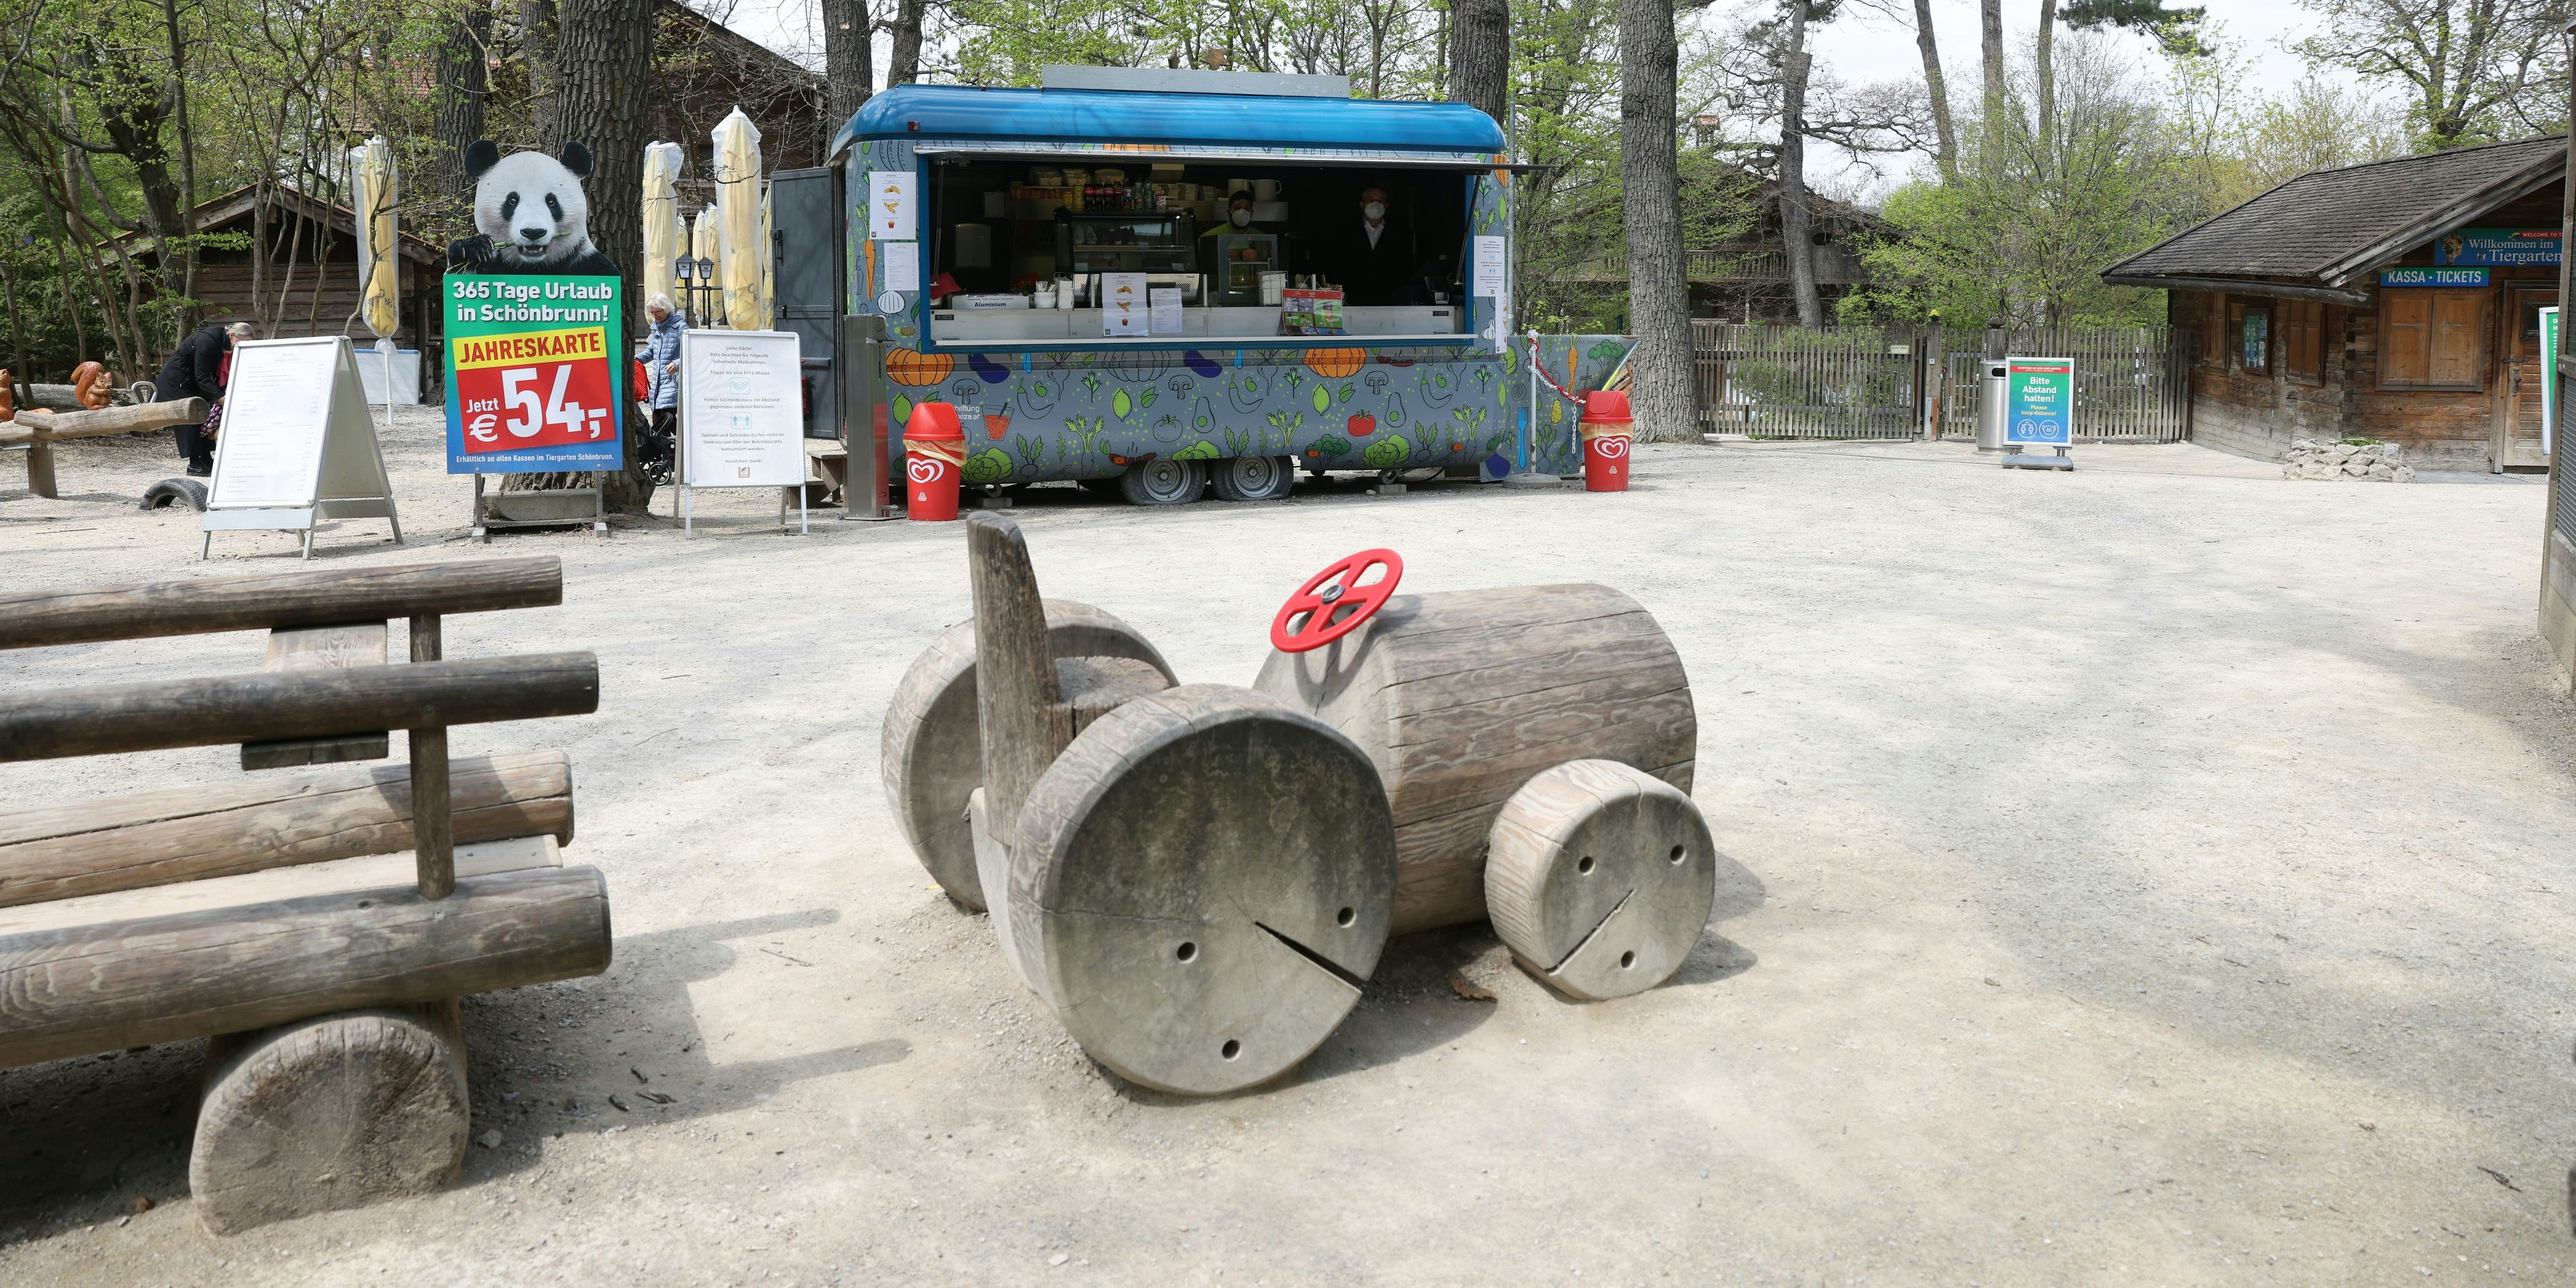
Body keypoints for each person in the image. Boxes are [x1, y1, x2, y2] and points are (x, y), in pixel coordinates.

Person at [156, 320, 252, 476]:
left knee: (204, 417)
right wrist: (221, 398)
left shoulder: (223, 342)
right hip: (177, 380)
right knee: (190, 419)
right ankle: (194, 464)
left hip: (193, 381)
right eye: (245, 341)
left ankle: (207, 460)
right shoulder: (208, 341)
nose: (245, 346)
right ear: (233, 335)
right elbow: (202, 375)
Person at [1324, 184, 1415, 307]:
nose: (1375, 204)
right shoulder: (1346, 233)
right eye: (1371, 200)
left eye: (1380, 200)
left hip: (1390, 303)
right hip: (1354, 301)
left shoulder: (1398, 234)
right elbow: (1338, 265)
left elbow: (1405, 268)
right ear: (1362, 204)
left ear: (1386, 205)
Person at [639, 294, 686, 484]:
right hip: (658, 390)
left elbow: (692, 350)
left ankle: (680, 461)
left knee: (675, 428)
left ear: (666, 310)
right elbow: (651, 353)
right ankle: (667, 462)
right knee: (658, 431)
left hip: (673, 388)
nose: (654, 316)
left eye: (657, 312)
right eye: (651, 313)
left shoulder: (680, 328)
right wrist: (634, 360)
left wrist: (677, 363)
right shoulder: (655, 329)